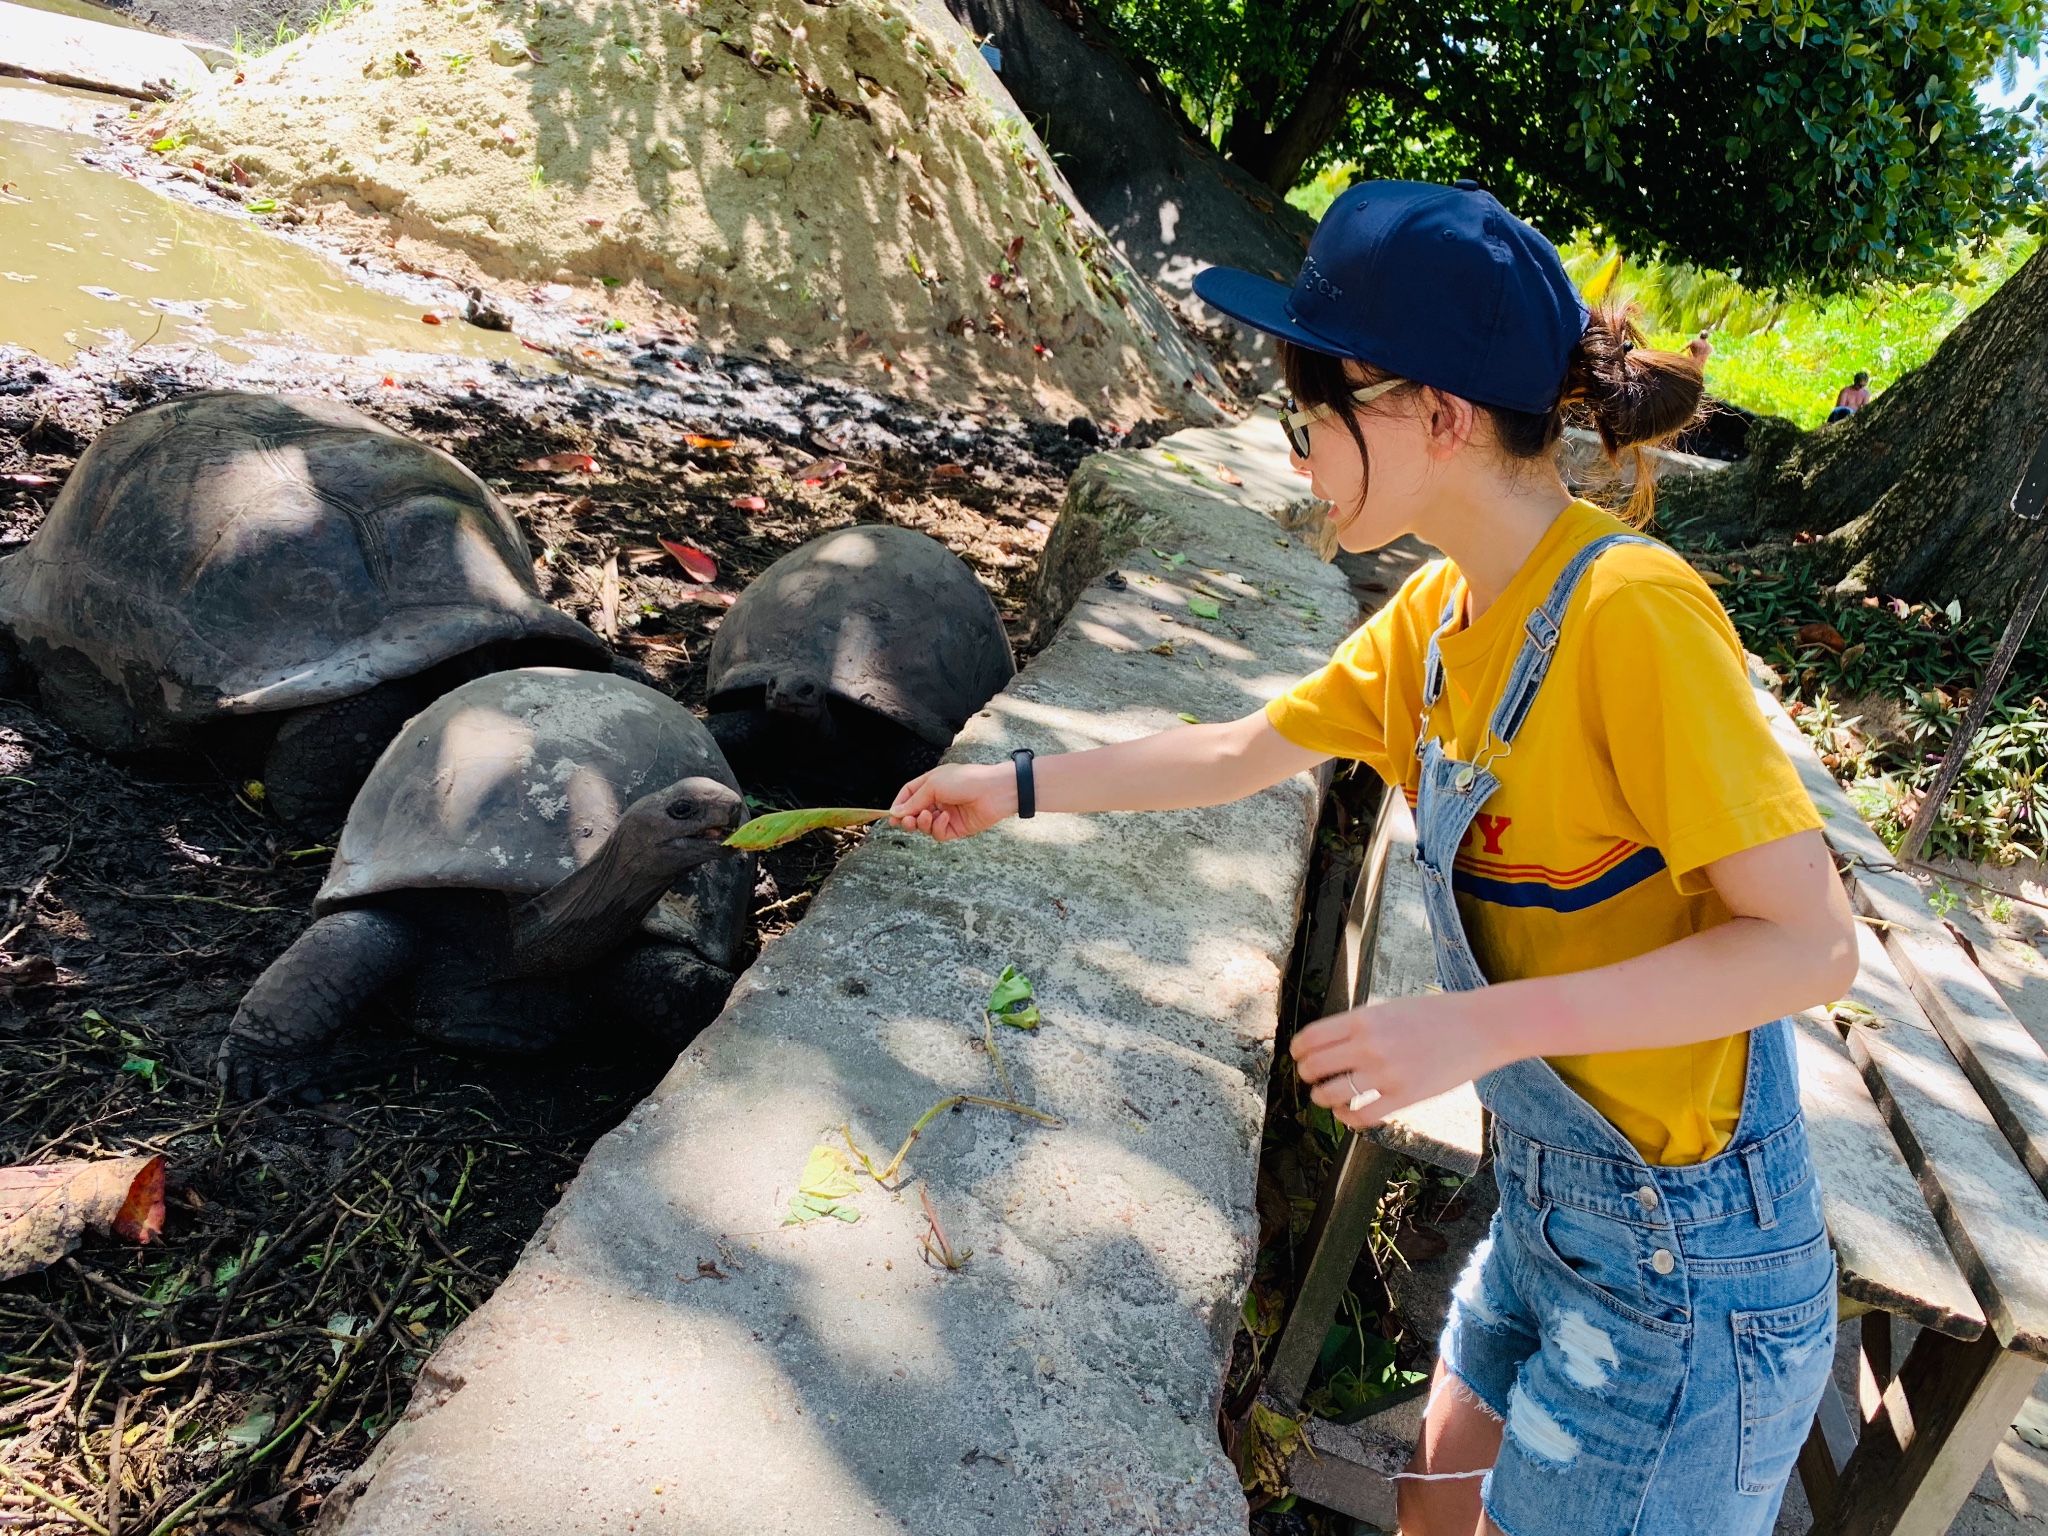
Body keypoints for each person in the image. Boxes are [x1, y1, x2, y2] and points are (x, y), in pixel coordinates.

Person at [889, 180, 1857, 1536]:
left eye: (1313, 418)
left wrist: (1477, 1026)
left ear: (1434, 416)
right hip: (1548, 1215)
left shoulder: (1633, 616)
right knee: (1435, 1506)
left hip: (1686, 1275)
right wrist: (1017, 784)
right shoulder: (1442, 618)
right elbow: (1241, 752)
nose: (1300, 458)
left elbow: (1809, 946)